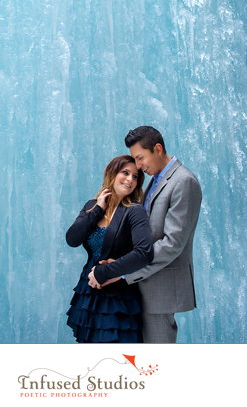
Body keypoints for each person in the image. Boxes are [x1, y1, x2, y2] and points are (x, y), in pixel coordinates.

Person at [90, 126, 202, 343]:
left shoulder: (184, 181)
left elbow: (172, 243)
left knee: (157, 359)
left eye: (140, 158)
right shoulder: (156, 179)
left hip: (161, 288)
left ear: (157, 149)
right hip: (142, 283)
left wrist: (123, 271)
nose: (138, 166)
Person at [65, 155, 154, 343]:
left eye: (136, 176)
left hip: (117, 297)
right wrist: (97, 210)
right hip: (88, 293)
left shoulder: (134, 210)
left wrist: (105, 272)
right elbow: (72, 239)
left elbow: (143, 253)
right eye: (125, 173)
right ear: (112, 174)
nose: (130, 179)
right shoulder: (92, 205)